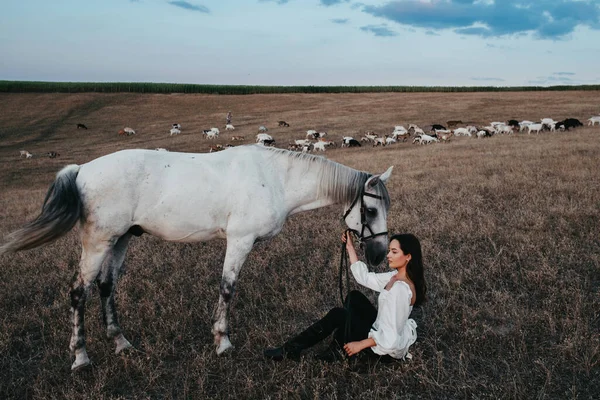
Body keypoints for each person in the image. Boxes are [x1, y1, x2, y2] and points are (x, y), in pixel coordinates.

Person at [264, 231, 426, 363]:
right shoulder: (395, 276)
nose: (389, 255)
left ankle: (290, 350)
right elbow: (365, 278)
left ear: (408, 256)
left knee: (339, 314)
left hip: (384, 351)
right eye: (389, 250)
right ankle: (337, 345)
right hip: (380, 328)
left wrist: (360, 344)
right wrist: (350, 246)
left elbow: (390, 338)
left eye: (394, 251)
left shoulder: (400, 289)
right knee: (354, 297)